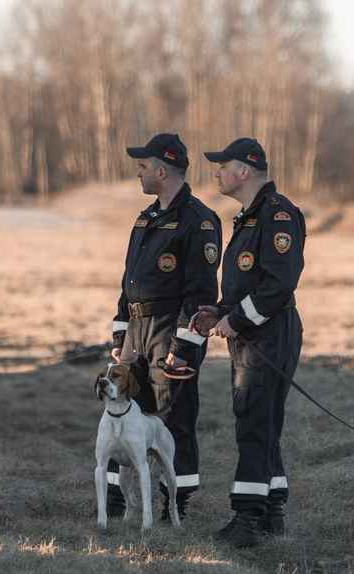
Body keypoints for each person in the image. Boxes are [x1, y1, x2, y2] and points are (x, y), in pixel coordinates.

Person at [196, 138, 305, 547]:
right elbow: (248, 281)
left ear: (244, 171)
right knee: (263, 423)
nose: (217, 173)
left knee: (255, 423)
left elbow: (279, 284)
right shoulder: (249, 216)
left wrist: (237, 320)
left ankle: (247, 521)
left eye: (223, 166)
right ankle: (272, 513)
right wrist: (220, 311)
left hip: (268, 334)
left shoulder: (277, 215)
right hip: (253, 332)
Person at [107, 133, 221, 522]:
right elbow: (129, 281)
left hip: (171, 329)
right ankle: (118, 499)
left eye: (143, 166)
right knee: (122, 411)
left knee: (173, 419)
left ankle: (176, 505)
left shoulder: (199, 220)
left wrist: (183, 346)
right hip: (137, 331)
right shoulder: (146, 218)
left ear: (162, 170)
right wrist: (121, 333)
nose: (137, 173)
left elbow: (201, 293)